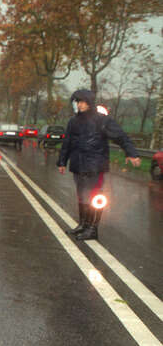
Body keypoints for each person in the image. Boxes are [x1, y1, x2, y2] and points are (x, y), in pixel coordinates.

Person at [57, 89, 140, 241]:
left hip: (95, 165)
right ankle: (83, 224)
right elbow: (67, 143)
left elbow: (121, 136)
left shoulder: (103, 120)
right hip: (78, 165)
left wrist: (131, 153)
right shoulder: (73, 122)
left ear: (89, 102)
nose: (80, 105)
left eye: (82, 102)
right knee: (82, 196)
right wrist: (62, 161)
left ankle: (92, 228)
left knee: (93, 197)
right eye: (77, 102)